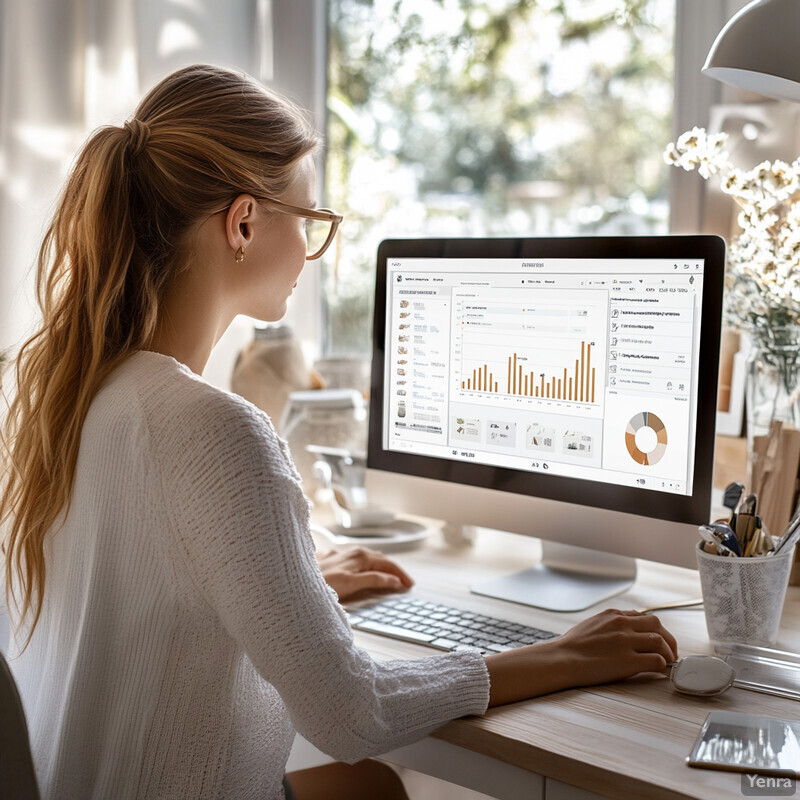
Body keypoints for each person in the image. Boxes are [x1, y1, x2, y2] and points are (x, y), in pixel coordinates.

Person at [0, 63, 678, 800]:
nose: (314, 254)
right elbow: (352, 712)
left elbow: (143, 587)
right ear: (243, 222)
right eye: (311, 221)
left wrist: (285, 590)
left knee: (372, 789)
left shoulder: (78, 390)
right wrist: (566, 655)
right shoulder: (216, 431)